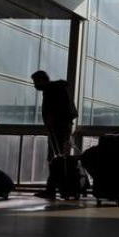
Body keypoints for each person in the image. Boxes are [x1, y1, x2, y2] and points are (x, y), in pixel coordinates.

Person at [31, 70, 78, 199]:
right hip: (62, 127)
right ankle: (58, 188)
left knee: (55, 158)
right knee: (57, 158)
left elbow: (54, 111)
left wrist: (52, 121)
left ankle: (53, 189)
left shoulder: (52, 90)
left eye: (35, 82)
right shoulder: (57, 88)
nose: (35, 85)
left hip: (58, 128)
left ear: (42, 80)